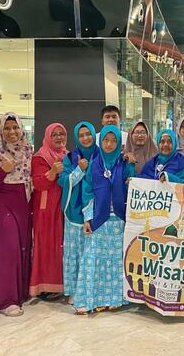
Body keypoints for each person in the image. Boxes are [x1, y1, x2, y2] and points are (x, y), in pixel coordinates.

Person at [73, 126, 135, 314]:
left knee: (115, 261)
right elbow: (87, 192)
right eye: (106, 140)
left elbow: (133, 187)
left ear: (118, 143)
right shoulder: (93, 165)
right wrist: (88, 218)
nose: (109, 144)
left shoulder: (124, 164)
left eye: (113, 141)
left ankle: (114, 298)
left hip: (119, 221)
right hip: (98, 220)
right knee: (93, 259)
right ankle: (91, 298)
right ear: (101, 142)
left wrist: (131, 178)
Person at [0, 113, 33, 316]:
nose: (12, 132)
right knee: (7, 248)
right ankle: (5, 300)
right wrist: (2, 171)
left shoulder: (28, 150)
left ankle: (19, 293)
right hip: (1, 202)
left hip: (23, 202)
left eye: (15, 127)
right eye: (7, 128)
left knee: (23, 246)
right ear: (0, 130)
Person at [58, 121, 99, 303]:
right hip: (74, 213)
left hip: (95, 210)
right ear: (77, 138)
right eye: (81, 135)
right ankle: (74, 290)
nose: (85, 138)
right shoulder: (70, 157)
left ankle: (91, 288)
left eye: (88, 134)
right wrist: (79, 171)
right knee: (74, 252)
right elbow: (63, 180)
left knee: (91, 252)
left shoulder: (102, 154)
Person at [30, 123, 68, 300]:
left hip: (62, 207)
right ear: (47, 137)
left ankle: (60, 284)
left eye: (62, 134)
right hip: (46, 209)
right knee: (46, 246)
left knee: (60, 245)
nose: (59, 137)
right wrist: (52, 171)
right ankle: (44, 286)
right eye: (55, 135)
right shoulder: (40, 157)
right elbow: (37, 183)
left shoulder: (67, 155)